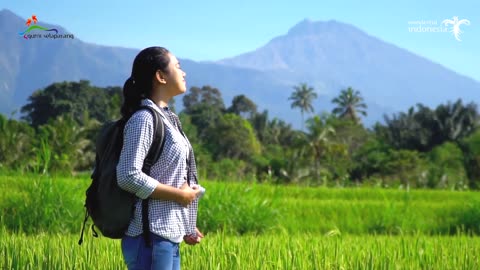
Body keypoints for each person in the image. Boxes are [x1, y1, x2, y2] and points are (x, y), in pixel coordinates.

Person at [116, 46, 204, 270]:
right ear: (160, 76)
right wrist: (179, 196)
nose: (183, 73)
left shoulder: (170, 120)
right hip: (149, 235)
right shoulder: (144, 119)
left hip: (168, 235)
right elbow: (127, 175)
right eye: (178, 67)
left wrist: (187, 224)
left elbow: (174, 176)